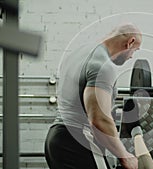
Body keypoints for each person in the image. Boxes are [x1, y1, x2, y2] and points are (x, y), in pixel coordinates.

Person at [45, 23, 142, 169]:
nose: (132, 56)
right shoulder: (103, 65)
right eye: (135, 50)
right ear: (130, 42)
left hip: (56, 138)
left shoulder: (79, 52)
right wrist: (124, 156)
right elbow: (99, 119)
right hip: (78, 139)